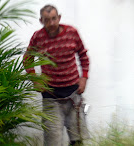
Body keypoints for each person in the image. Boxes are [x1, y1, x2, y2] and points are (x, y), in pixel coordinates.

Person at [23, 4, 90, 146]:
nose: (51, 23)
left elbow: (83, 55)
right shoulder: (38, 37)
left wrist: (83, 77)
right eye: (47, 20)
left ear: (59, 17)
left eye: (54, 18)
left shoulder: (72, 32)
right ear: (41, 21)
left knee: (77, 140)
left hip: (73, 94)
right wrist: (35, 80)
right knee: (52, 142)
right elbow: (27, 58)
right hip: (51, 96)